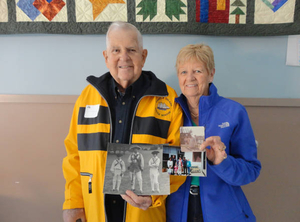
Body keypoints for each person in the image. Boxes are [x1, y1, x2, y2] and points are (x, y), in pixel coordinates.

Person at [62, 22, 184, 222]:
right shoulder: (87, 97)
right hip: (95, 213)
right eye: (116, 50)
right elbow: (73, 156)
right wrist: (72, 204)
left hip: (144, 214)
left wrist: (153, 196)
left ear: (143, 56)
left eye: (131, 50)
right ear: (106, 56)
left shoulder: (168, 99)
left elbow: (181, 160)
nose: (124, 57)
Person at [166, 44, 261, 222]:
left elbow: (251, 170)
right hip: (177, 211)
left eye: (198, 71)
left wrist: (221, 161)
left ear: (211, 74)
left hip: (222, 212)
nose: (190, 78)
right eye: (183, 72)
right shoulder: (169, 112)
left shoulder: (234, 112)